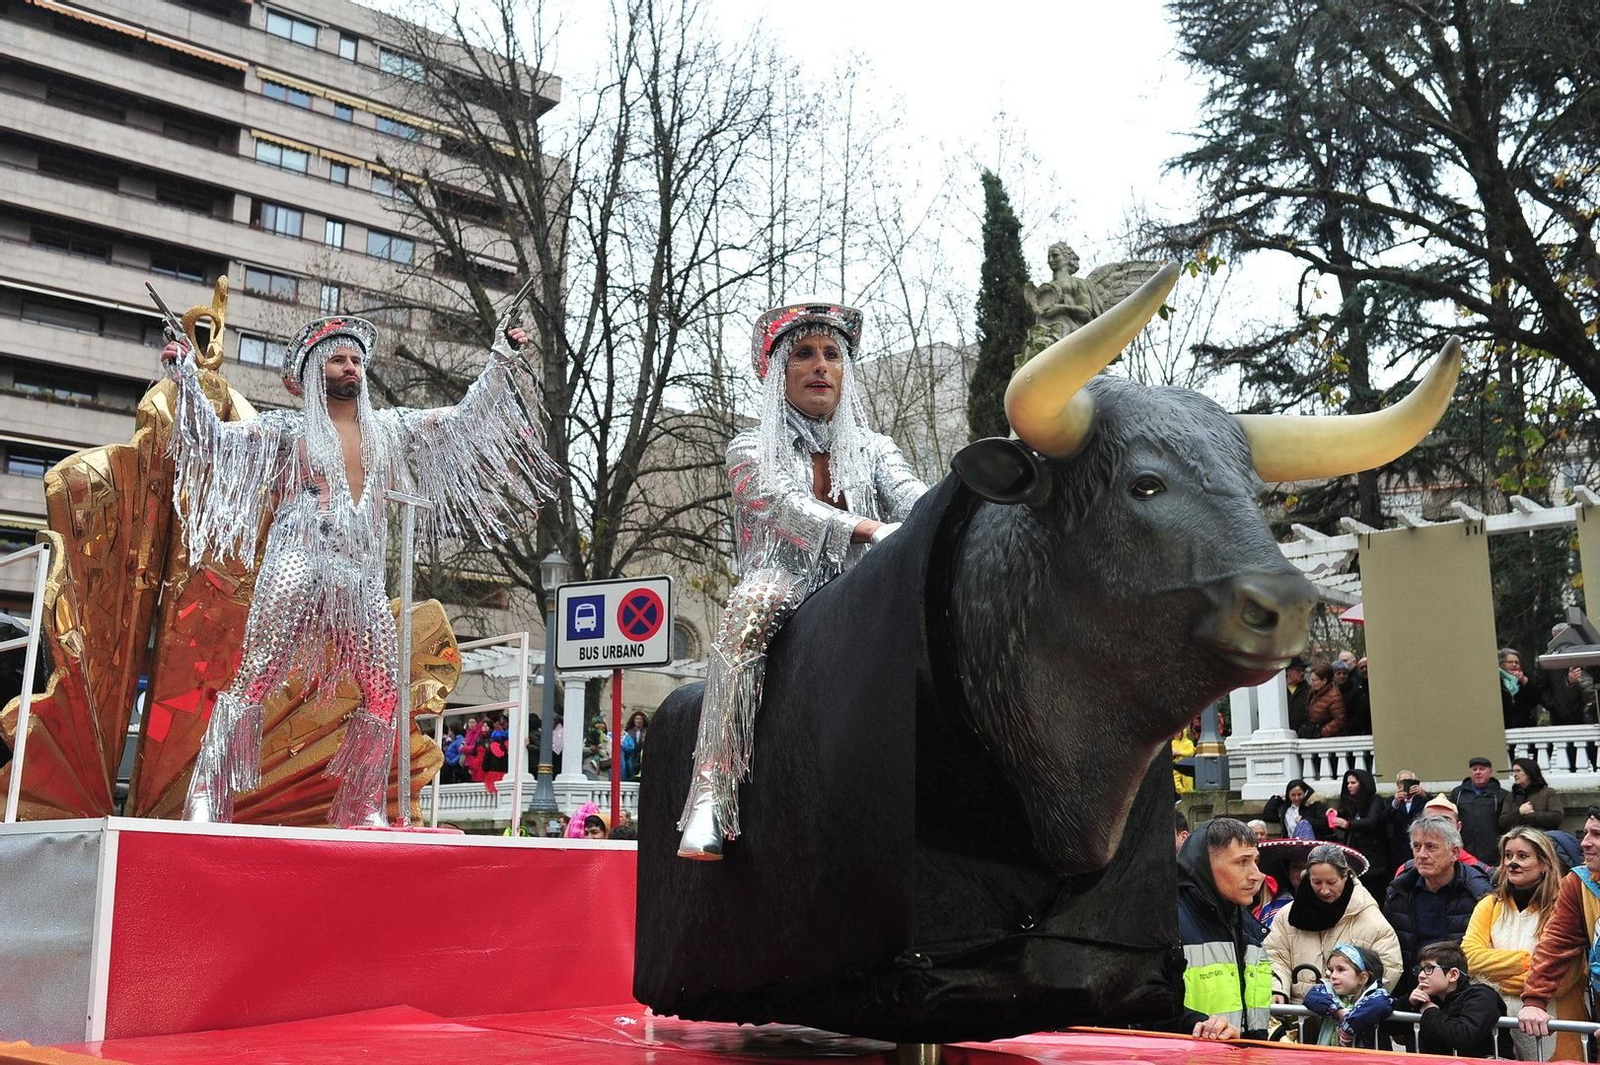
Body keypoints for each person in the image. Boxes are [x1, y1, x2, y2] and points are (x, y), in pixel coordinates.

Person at [160, 315, 557, 826]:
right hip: (297, 559)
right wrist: (186, 378)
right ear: (312, 371)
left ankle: (359, 804)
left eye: (356, 360)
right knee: (255, 679)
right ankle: (207, 796)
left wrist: (500, 358)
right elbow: (211, 441)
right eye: (339, 360)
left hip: (361, 573)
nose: (351, 368)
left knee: (385, 690)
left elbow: (461, 420)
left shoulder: (389, 429)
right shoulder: (287, 429)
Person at [676, 302, 928, 860]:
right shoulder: (748, 448)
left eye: (832, 355)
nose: (820, 366)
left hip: (863, 581)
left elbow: (915, 501)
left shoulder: (875, 448)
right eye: (804, 354)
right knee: (747, 612)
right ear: (777, 372)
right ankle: (712, 795)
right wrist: (869, 529)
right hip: (783, 581)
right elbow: (786, 508)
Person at [1465, 827, 1584, 1061]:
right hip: (1501, 1028)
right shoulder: (1489, 905)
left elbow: (1562, 978)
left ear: (1545, 863)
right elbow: (1469, 958)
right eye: (1508, 856)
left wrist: (1495, 977)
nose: (1512, 863)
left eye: (1523, 856)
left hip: (1554, 1026)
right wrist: (1528, 961)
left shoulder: (1563, 907)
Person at [1264, 843, 1400, 1005]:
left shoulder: (1371, 919)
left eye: (1331, 882)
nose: (1324, 890)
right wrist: (1278, 989)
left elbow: (1389, 968)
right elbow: (1274, 956)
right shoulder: (1286, 916)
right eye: (1316, 882)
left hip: (1348, 1018)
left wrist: (1349, 1005)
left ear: (1345, 876)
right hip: (1296, 1017)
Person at [1176, 818, 1272, 1040]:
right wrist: (1196, 1024)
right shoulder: (1167, 923)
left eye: (1255, 862)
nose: (1256, 875)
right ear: (1205, 866)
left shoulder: (1249, 928)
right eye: (1242, 862)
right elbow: (1145, 1007)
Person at [1518, 808, 1600, 1053]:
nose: (1585, 843)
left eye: (1596, 834)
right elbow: (1556, 943)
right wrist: (1534, 1000)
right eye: (1585, 833)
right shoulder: (1578, 882)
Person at [1385, 816, 1493, 990]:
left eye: (1431, 847)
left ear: (1455, 853)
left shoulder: (1478, 894)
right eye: (1417, 847)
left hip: (1462, 991)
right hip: (1411, 989)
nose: (1421, 855)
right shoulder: (1398, 892)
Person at [1409, 941, 1509, 1058]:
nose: (1421, 975)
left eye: (1429, 968)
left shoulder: (1481, 995)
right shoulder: (1429, 998)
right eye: (1420, 969)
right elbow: (1392, 1029)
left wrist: (1430, 1012)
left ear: (1453, 975)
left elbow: (1465, 1036)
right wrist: (1410, 1003)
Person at [1302, 943, 1394, 1047]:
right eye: (1332, 970)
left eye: (1340, 970)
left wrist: (1348, 1026)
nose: (1333, 976)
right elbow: (1312, 997)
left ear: (1363, 978)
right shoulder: (1328, 989)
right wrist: (1338, 1011)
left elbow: (1381, 1005)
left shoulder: (1377, 994)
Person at [1328, 768, 1392, 899]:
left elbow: (1372, 821)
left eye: (1353, 783)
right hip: (1356, 855)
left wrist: (1347, 824)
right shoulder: (1350, 802)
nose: (1349, 786)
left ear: (1363, 784)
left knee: (1375, 893)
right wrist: (1336, 818)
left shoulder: (1375, 801)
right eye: (1347, 783)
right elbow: (1347, 827)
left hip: (1375, 856)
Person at [1451, 756, 1507, 863]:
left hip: (1492, 853)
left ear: (1490, 772)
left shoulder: (1501, 795)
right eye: (1474, 769)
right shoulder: (1458, 793)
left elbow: (1505, 823)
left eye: (1482, 769)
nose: (1478, 772)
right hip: (1464, 851)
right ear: (1470, 772)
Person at [1500, 757, 1564, 833]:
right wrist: (1519, 812)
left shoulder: (1547, 793)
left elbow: (1557, 817)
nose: (1514, 775)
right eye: (1513, 771)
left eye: (1518, 771)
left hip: (1543, 838)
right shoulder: (1511, 796)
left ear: (1530, 772)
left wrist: (1529, 815)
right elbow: (1502, 822)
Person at [1387, 768, 1429, 864]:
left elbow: (1433, 810)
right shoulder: (1392, 800)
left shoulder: (1422, 799)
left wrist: (1424, 794)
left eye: (1409, 781)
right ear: (1398, 785)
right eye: (1402, 782)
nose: (1405, 785)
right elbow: (1385, 818)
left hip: (1420, 842)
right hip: (1400, 847)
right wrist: (1396, 802)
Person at [1262, 779, 1327, 841]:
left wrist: (1305, 820)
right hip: (1291, 844)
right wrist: (1277, 798)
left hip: (1313, 842)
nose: (1296, 798)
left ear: (1305, 793)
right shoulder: (1285, 809)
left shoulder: (1314, 805)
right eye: (1293, 795)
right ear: (1288, 794)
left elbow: (1324, 823)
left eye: (1299, 794)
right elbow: (1267, 816)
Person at [1501, 648, 1545, 730]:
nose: (1514, 665)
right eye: (1510, 662)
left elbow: (1534, 701)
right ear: (1502, 664)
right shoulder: (1497, 680)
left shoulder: (1525, 678)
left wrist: (1525, 681)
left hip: (1524, 727)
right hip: (1504, 727)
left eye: (1516, 662)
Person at [1303, 663, 1347, 738]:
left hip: (1328, 739)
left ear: (1324, 681)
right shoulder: (1313, 693)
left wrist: (1321, 732)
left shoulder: (1335, 696)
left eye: (1314, 680)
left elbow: (1339, 720)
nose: (1311, 683)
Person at [1332, 660, 1370, 734]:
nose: (1342, 676)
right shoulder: (1330, 691)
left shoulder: (1355, 691)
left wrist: (1347, 728)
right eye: (1338, 673)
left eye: (1344, 673)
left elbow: (1360, 714)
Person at [1285, 657, 1312, 737]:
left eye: (1303, 671)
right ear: (1288, 671)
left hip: (1304, 735)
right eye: (1298, 670)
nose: (1302, 673)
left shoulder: (1309, 690)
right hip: (1285, 735)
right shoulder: (1279, 691)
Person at [621, 711, 648, 781]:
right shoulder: (629, 731)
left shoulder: (647, 731)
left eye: (640, 719)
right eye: (636, 719)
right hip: (631, 755)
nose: (638, 721)